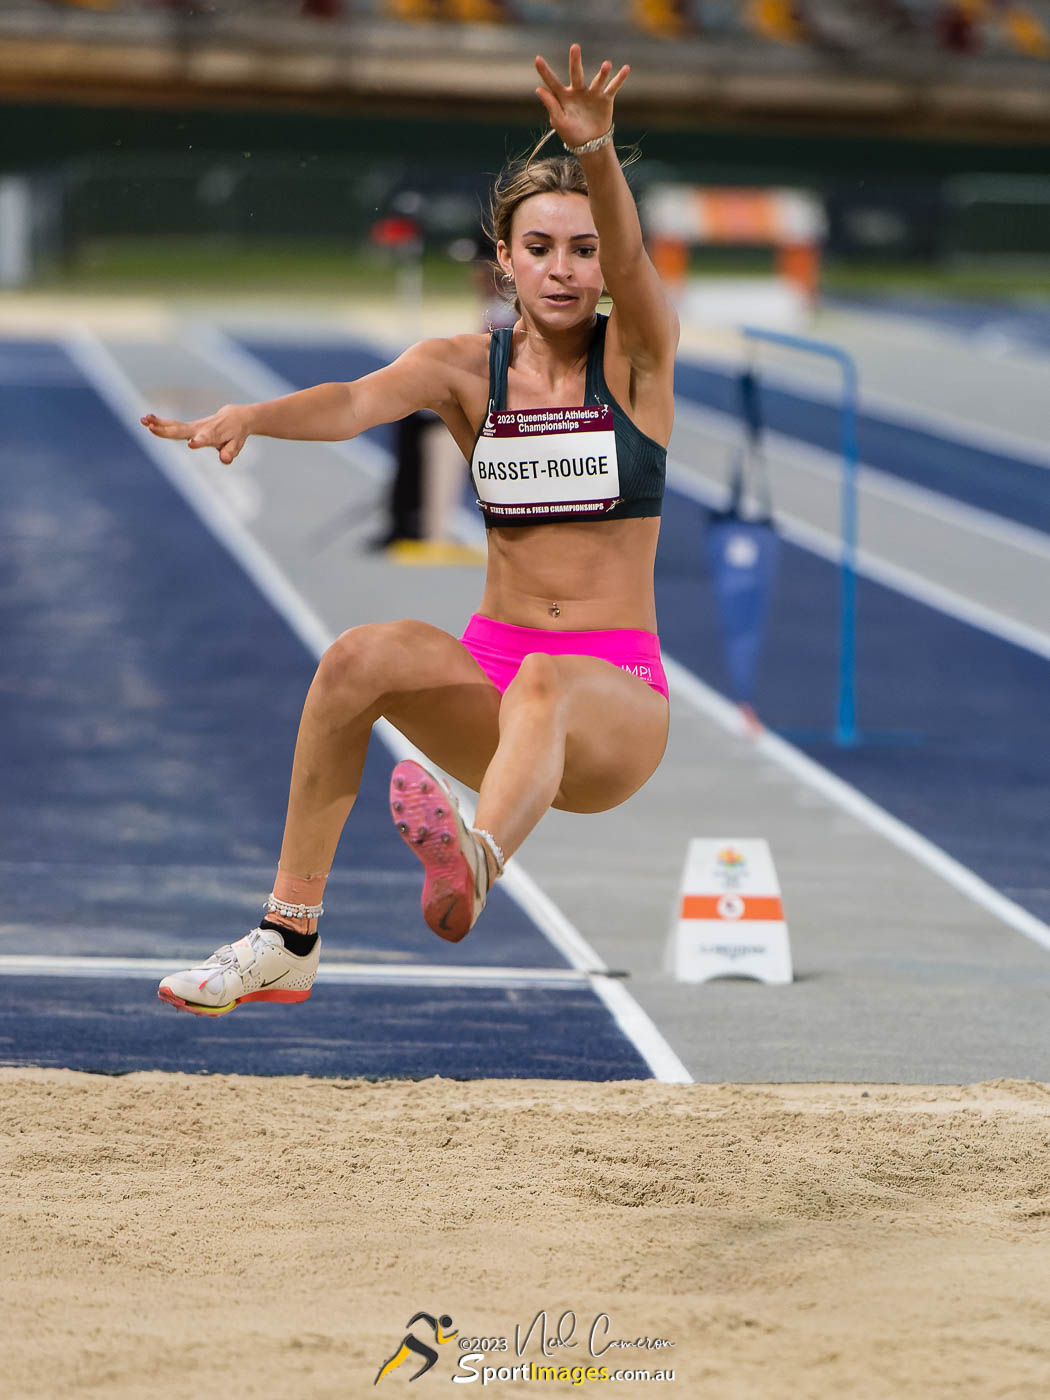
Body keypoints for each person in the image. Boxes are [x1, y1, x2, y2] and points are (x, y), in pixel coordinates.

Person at [142, 43, 679, 1017]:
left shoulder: (638, 361)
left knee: (550, 678)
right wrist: (251, 417)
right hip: (495, 676)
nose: (563, 268)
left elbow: (639, 264)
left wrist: (595, 148)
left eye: (584, 248)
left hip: (613, 705)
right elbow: (353, 401)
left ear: (608, 263)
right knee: (356, 657)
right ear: (503, 259)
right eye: (541, 247)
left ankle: (476, 857)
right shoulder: (464, 368)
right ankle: (286, 935)